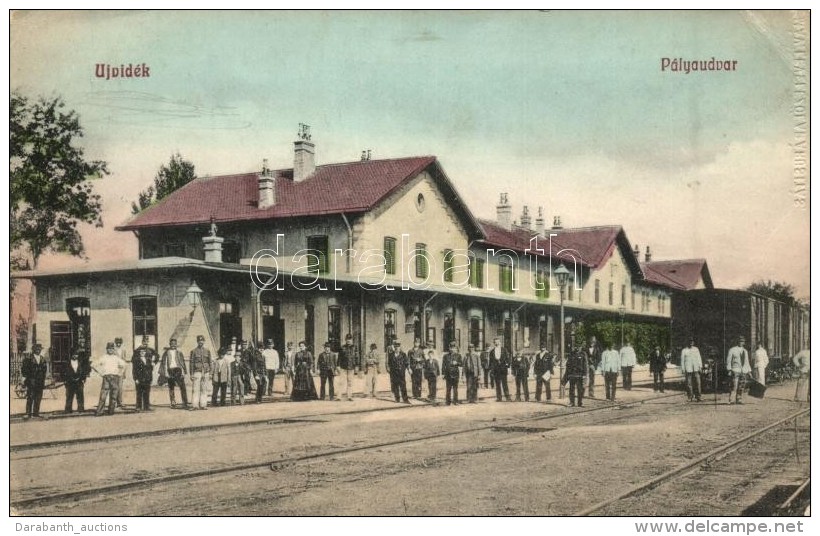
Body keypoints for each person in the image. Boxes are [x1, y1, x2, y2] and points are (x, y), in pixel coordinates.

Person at [94, 342, 126, 416]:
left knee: (114, 395)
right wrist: (101, 373)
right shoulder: (104, 357)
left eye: (112, 349)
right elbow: (94, 364)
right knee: (103, 395)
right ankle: (99, 411)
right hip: (106, 377)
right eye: (109, 349)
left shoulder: (116, 358)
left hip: (115, 377)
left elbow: (124, 365)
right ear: (106, 349)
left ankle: (111, 411)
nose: (110, 350)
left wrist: (119, 373)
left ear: (113, 349)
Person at [21, 343, 50, 419]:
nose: (38, 350)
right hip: (31, 381)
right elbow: (24, 370)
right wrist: (24, 379)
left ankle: (36, 413)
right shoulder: (28, 359)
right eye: (37, 349)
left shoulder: (43, 359)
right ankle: (28, 413)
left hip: (40, 381)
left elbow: (44, 370)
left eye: (39, 349)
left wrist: (45, 379)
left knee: (38, 397)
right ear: (33, 350)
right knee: (30, 397)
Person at [159, 338, 189, 409]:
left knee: (182, 387)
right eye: (172, 344)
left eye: (174, 344)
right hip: (170, 370)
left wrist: (184, 372)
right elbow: (164, 364)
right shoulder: (166, 353)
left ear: (176, 344)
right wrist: (166, 373)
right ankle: (173, 402)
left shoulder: (179, 352)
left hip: (178, 370)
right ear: (170, 344)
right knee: (171, 387)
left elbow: (182, 363)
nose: (173, 345)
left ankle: (185, 403)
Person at [726, 336, 751, 405]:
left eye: (742, 341)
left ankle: (739, 399)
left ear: (744, 343)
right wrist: (729, 370)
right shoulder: (732, 350)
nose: (741, 343)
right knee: (734, 385)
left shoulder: (745, 351)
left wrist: (749, 371)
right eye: (740, 341)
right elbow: (728, 360)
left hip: (743, 371)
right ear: (737, 342)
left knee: (741, 386)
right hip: (735, 369)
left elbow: (747, 361)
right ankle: (731, 400)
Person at [189, 335, 212, 410]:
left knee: (204, 389)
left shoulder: (207, 351)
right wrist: (191, 374)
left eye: (202, 341)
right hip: (197, 372)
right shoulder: (193, 351)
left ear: (204, 341)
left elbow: (210, 362)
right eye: (199, 341)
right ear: (197, 342)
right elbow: (191, 363)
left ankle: (203, 405)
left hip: (205, 372)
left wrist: (211, 373)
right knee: (195, 389)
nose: (200, 342)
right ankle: (195, 405)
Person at [338, 334, 361, 401]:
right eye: (347, 339)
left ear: (352, 340)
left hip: (351, 367)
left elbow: (357, 357)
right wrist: (338, 366)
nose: (348, 341)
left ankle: (349, 396)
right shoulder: (342, 347)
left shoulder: (354, 347)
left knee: (350, 382)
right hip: (343, 367)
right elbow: (339, 357)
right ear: (345, 340)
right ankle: (339, 396)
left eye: (350, 339)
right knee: (341, 382)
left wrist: (357, 365)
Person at [387, 339, 410, 403]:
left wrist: (409, 369)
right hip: (394, 373)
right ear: (394, 348)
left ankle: (405, 399)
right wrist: (389, 369)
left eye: (398, 347)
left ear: (400, 348)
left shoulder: (403, 355)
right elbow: (389, 363)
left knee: (403, 386)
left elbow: (406, 362)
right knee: (395, 386)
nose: (397, 349)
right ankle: (397, 399)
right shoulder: (391, 355)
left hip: (401, 372)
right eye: (396, 348)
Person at [488, 338, 511, 402]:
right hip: (496, 370)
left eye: (497, 342)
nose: (496, 343)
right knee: (497, 384)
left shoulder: (504, 350)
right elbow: (491, 361)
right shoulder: (492, 352)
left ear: (500, 342)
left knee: (504, 383)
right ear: (494, 343)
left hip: (503, 369)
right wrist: (491, 370)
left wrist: (507, 365)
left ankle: (507, 397)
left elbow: (508, 358)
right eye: (495, 342)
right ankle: (499, 397)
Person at [132, 346, 154, 411]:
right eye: (141, 352)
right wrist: (135, 379)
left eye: (144, 352)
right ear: (139, 352)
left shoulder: (148, 360)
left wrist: (150, 378)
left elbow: (150, 370)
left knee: (147, 393)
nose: (142, 353)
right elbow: (134, 370)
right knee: (139, 393)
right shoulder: (136, 360)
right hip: (139, 379)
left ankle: (146, 407)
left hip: (147, 379)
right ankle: (138, 407)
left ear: (145, 352)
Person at [442, 341, 463, 405]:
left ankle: (455, 401)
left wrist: (457, 363)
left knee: (455, 388)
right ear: (449, 348)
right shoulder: (445, 356)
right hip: (448, 374)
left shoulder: (458, 356)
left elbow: (461, 364)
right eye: (451, 348)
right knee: (448, 388)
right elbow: (443, 365)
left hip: (455, 374)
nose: (452, 349)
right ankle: (448, 401)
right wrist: (443, 374)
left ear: (456, 348)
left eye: (453, 348)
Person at [113, 337, 129, 408]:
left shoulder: (123, 350)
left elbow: (124, 361)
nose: (118, 344)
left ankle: (120, 402)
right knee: (114, 387)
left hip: (121, 371)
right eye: (117, 343)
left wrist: (124, 372)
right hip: (114, 371)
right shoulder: (113, 350)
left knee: (120, 387)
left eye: (119, 343)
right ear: (115, 343)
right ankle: (113, 402)